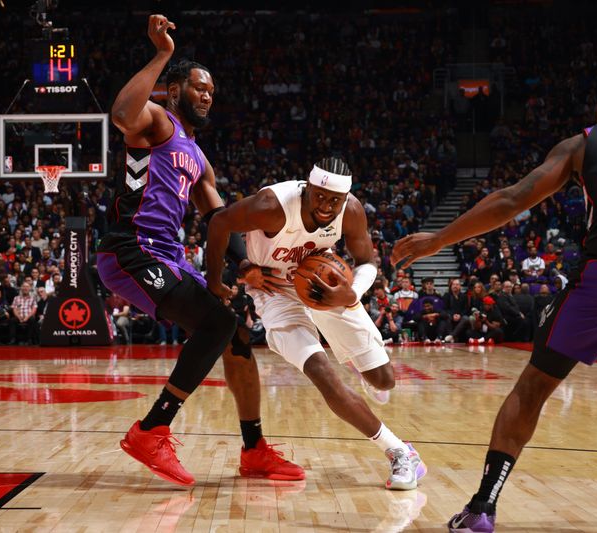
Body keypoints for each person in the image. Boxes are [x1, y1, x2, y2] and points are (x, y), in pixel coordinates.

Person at [392, 71, 597, 532]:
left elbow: (513, 199)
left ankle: (482, 510)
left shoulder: (582, 143)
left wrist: (439, 239)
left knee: (533, 388)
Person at [94, 15, 302, 487]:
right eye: (199, 87)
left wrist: (245, 264)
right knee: (218, 321)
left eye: (211, 90)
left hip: (165, 256)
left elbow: (221, 221)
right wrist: (163, 53)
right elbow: (122, 115)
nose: (207, 95)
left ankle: (254, 450)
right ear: (174, 90)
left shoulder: (198, 158)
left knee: (236, 336)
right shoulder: (156, 120)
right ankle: (151, 429)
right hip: (129, 250)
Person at [206, 157, 427, 490]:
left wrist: (349, 293)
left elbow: (367, 261)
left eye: (334, 200)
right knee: (323, 373)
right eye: (319, 196)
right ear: (308, 188)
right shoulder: (272, 205)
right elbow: (220, 223)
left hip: (322, 285)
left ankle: (357, 363)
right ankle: (399, 451)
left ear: (345, 198)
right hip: (274, 292)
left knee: (384, 382)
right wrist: (235, 269)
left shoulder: (351, 211)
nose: (326, 206)